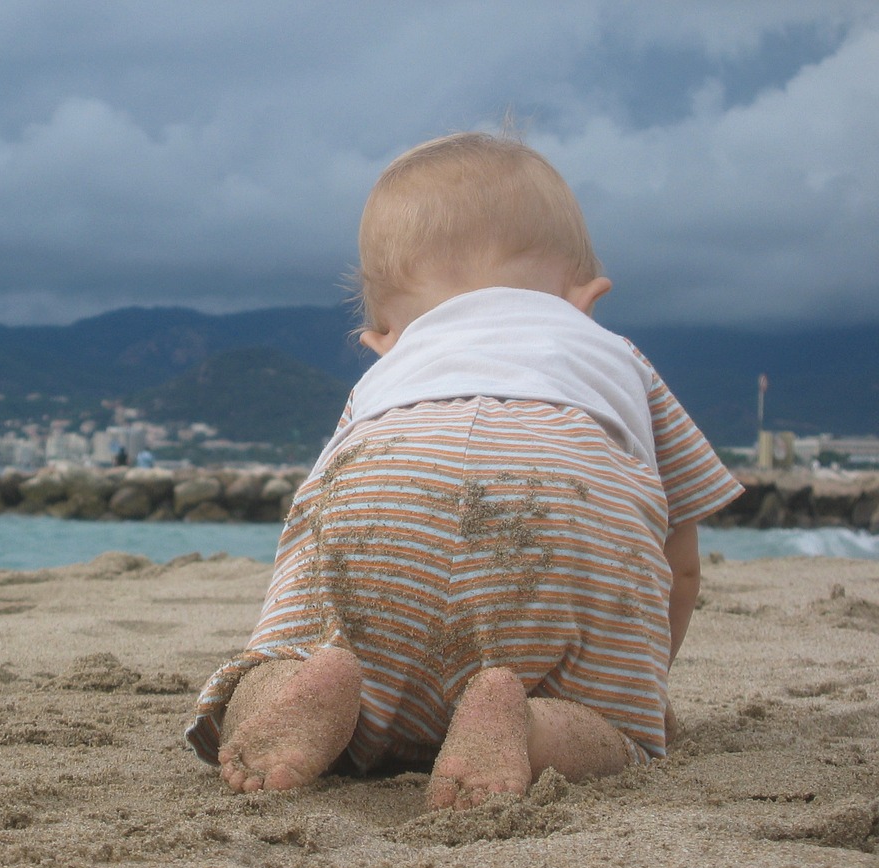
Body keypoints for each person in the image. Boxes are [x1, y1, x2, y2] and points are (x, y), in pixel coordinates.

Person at [185, 132, 744, 811]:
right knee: (613, 732)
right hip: (560, 495)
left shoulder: (389, 375)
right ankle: (529, 725)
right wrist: (633, 692)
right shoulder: (616, 357)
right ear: (585, 295)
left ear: (378, 336)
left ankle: (304, 685)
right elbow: (678, 564)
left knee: (294, 647)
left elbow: (316, 516)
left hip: (388, 480)